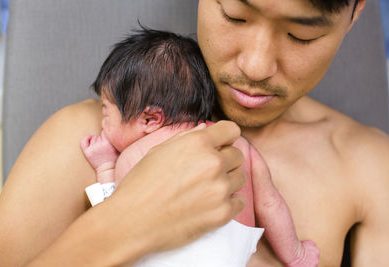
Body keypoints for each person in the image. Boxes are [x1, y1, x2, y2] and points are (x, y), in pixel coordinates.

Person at [0, 0, 389, 266]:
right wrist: (124, 223)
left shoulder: (371, 167)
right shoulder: (88, 137)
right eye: (235, 16)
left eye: (301, 35)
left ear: (356, 11)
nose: (256, 67)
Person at [80, 28, 319, 266]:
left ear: (149, 119)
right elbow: (270, 204)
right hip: (233, 253)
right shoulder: (236, 143)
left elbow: (113, 224)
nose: (103, 123)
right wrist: (296, 255)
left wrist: (105, 165)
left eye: (106, 112)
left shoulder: (135, 157)